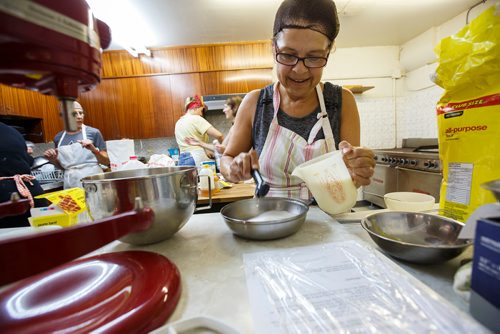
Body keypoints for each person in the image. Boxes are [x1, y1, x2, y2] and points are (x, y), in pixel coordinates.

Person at [220, 0, 375, 201]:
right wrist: (233, 169)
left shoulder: (342, 101)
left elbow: (351, 176)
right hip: (271, 222)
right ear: (274, 48)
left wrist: (358, 169)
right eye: (288, 55)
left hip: (331, 222)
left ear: (328, 52)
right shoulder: (255, 103)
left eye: (314, 57)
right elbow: (227, 158)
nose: (299, 70)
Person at [44, 101, 109, 189]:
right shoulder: (58, 138)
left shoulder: (93, 133)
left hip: (93, 180)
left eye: (81, 113)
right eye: (74, 113)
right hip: (70, 182)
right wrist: (53, 160)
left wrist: (94, 150)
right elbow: (63, 167)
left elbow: (106, 162)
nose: (79, 116)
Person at [0, 123, 47, 228]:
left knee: (12, 242)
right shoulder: (12, 131)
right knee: (40, 240)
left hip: (6, 199)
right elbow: (27, 161)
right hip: (32, 191)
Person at [175, 95, 224, 167]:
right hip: (196, 158)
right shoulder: (196, 118)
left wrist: (206, 149)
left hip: (182, 160)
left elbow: (193, 140)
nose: (201, 114)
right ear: (195, 108)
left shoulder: (178, 122)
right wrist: (223, 148)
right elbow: (219, 135)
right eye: (201, 110)